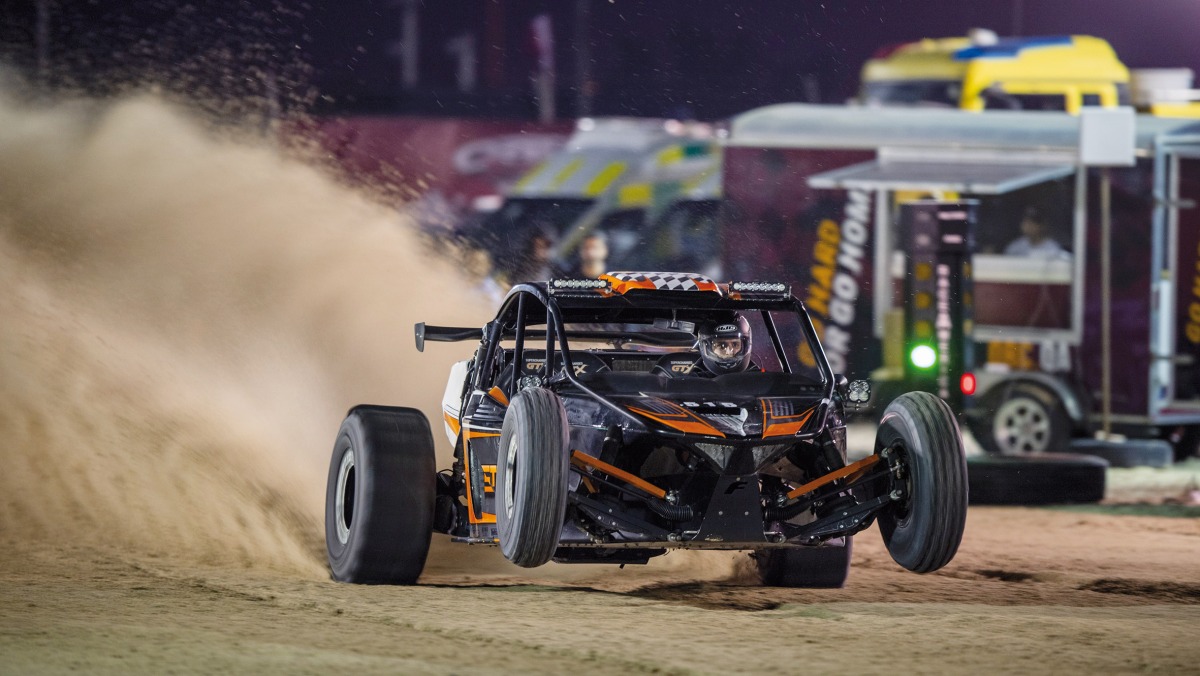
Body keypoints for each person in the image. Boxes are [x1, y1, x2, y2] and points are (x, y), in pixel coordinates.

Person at [1004, 205, 1070, 259]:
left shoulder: (1052, 248)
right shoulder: (1016, 246)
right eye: (1026, 222)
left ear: (1042, 226)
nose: (1028, 226)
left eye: (1033, 223)